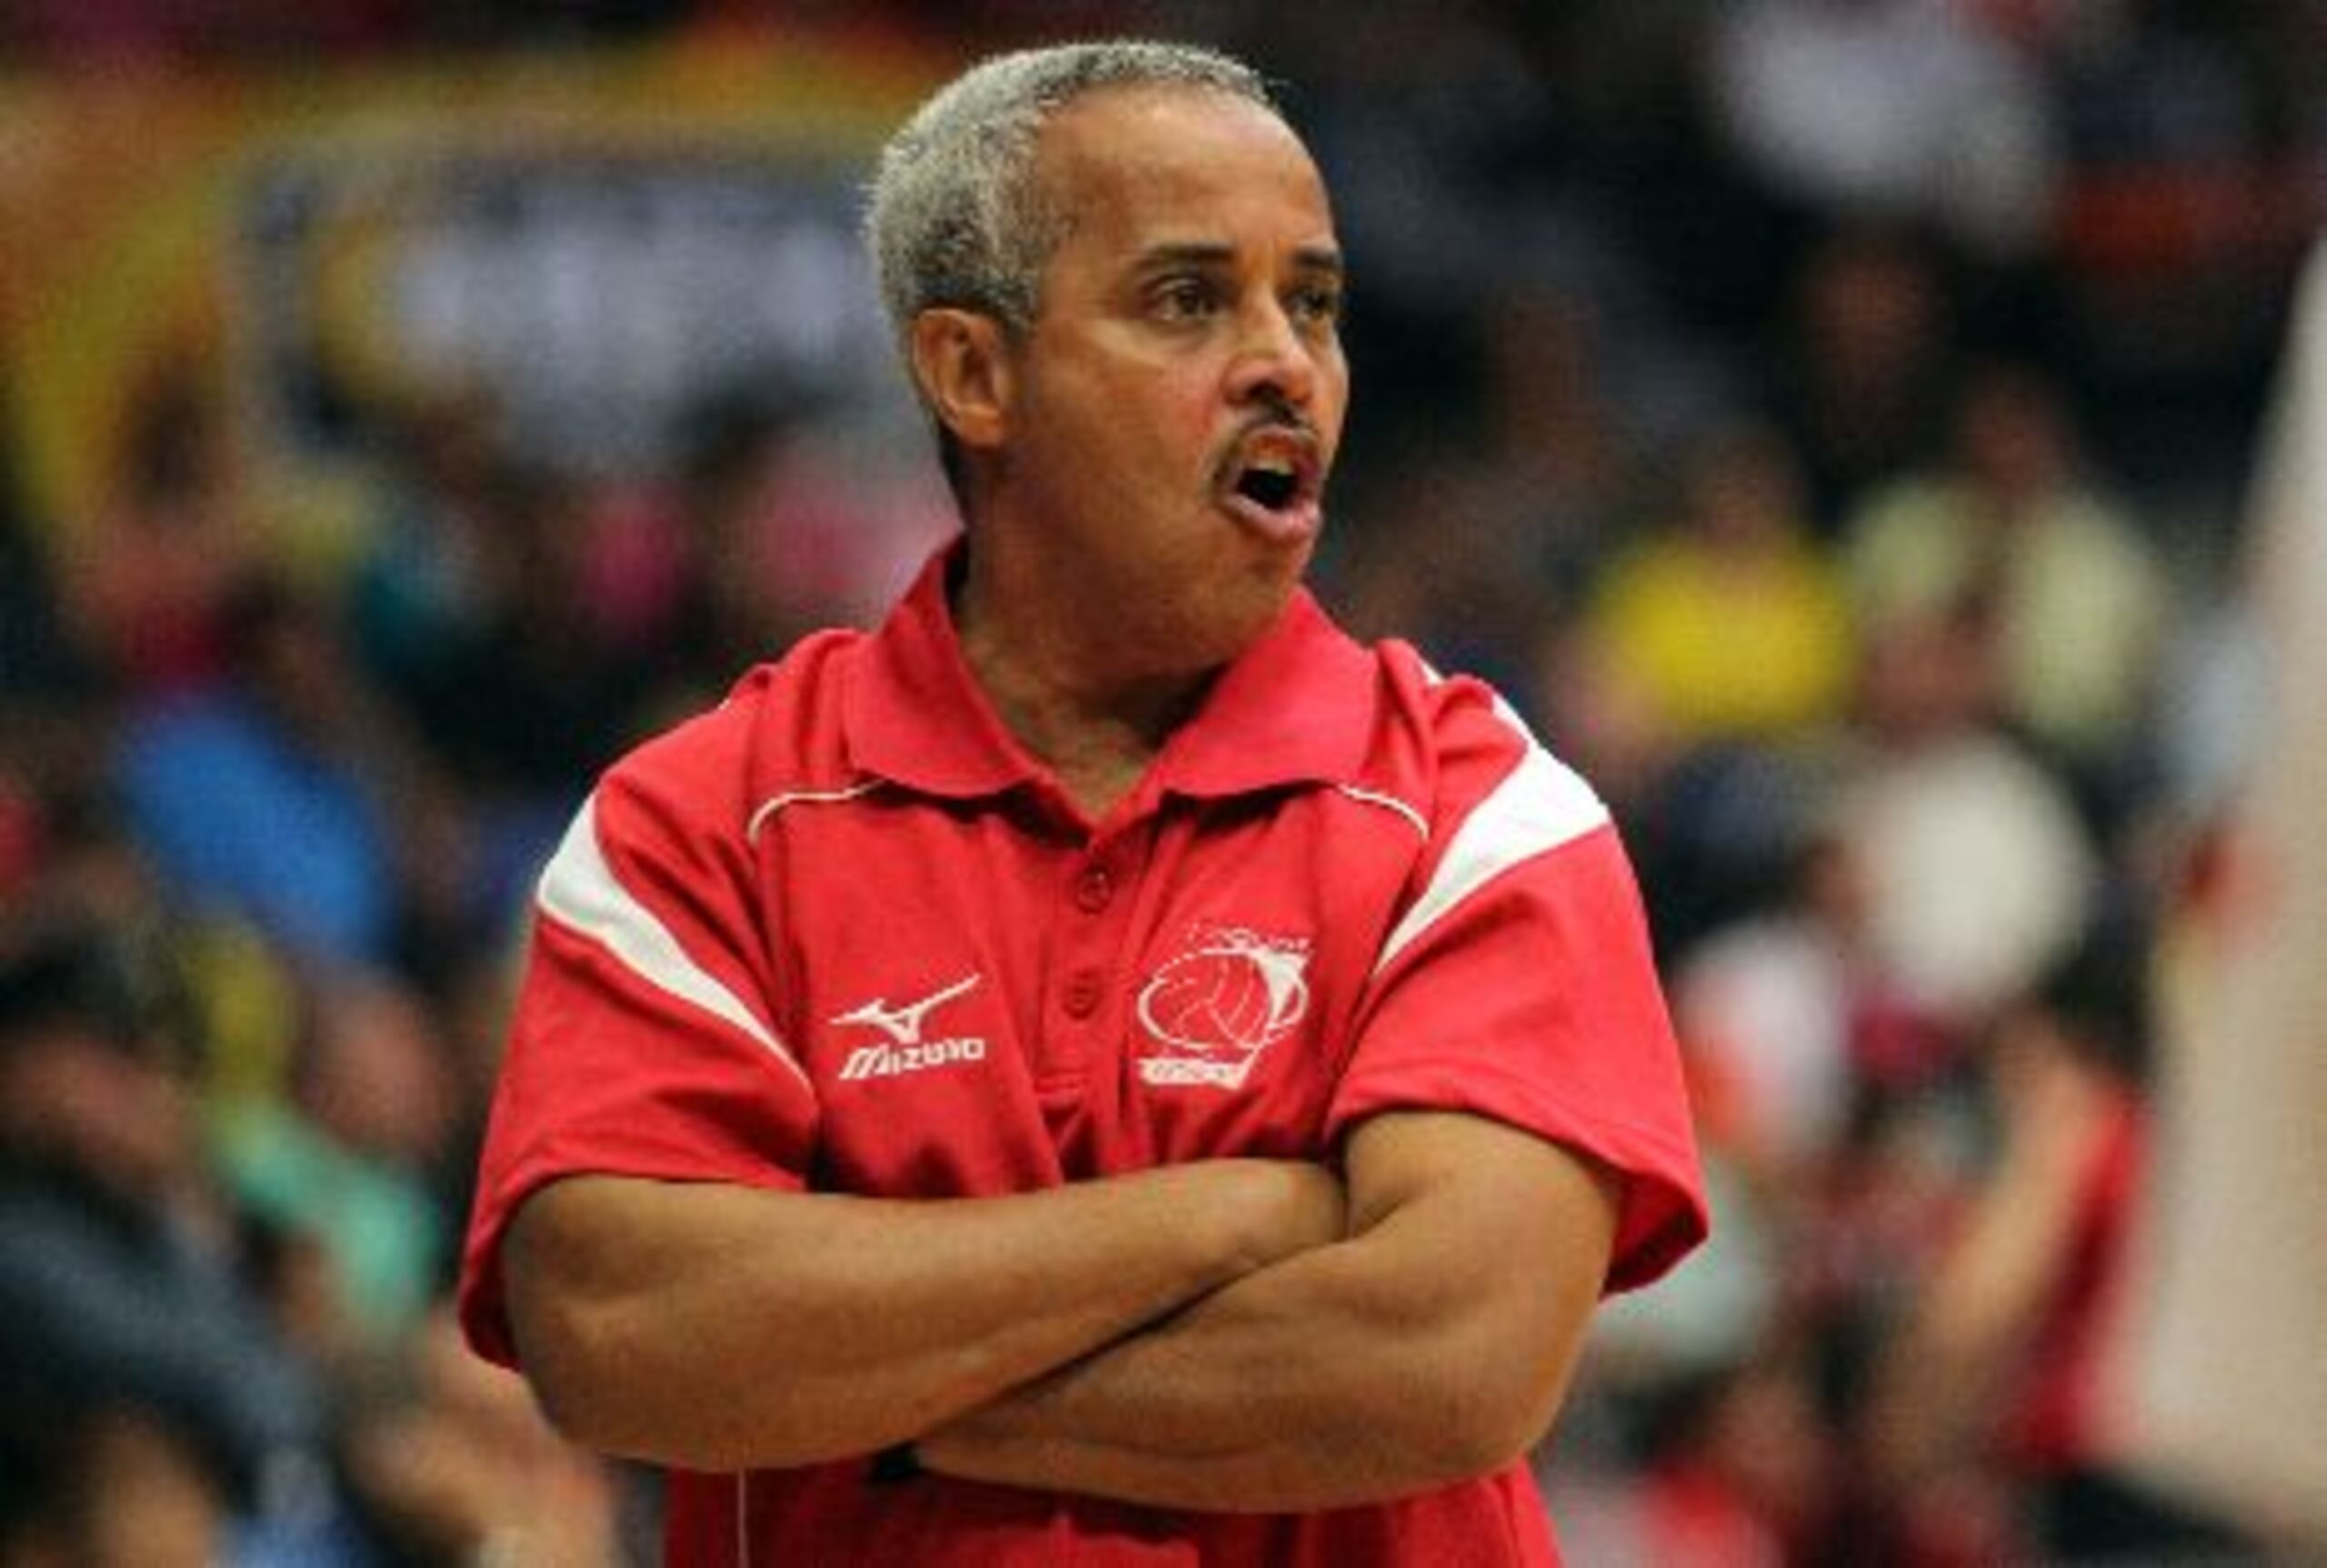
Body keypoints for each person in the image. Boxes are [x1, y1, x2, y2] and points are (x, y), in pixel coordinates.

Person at [457, 39, 1707, 1565]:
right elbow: (620, 1326)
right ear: (974, 373)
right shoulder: (698, 825)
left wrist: (870, 1389)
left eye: (1311, 302)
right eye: (1189, 299)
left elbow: (1444, 1356)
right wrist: (1239, 1218)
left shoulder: (1483, 813)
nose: (1283, 362)